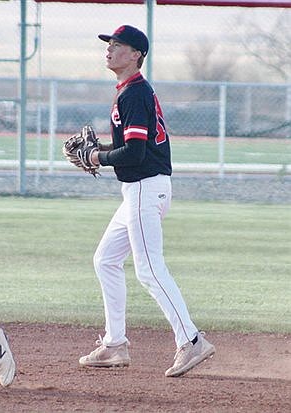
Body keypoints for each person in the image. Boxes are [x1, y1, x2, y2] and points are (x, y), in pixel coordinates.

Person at [78, 25, 215, 377]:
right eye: (109, 44)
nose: (109, 49)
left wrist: (97, 158)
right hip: (139, 190)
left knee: (149, 269)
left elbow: (136, 153)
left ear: (136, 54)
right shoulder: (129, 91)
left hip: (144, 188)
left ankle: (191, 340)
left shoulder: (134, 93)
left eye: (118, 45)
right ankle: (114, 344)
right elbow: (132, 149)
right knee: (105, 259)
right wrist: (103, 152)